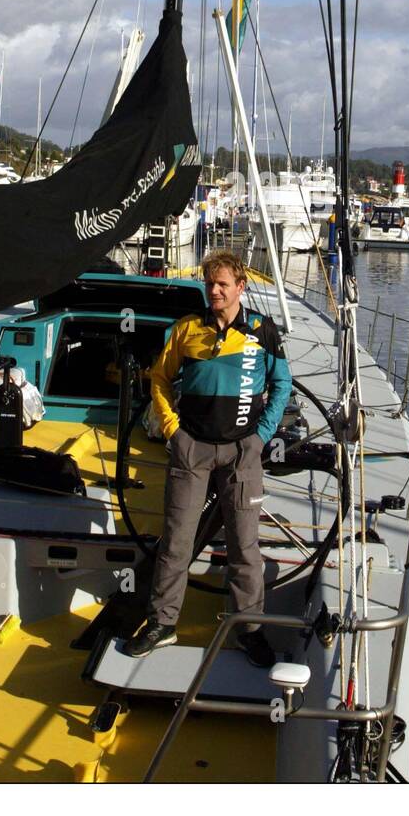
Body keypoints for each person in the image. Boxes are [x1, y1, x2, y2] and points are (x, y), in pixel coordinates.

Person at [125, 250, 292, 668]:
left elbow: (282, 384)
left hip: (242, 455)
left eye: (222, 284)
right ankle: (163, 624)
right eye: (209, 283)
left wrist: (261, 437)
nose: (214, 291)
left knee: (244, 548)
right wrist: (172, 431)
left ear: (241, 287)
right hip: (191, 450)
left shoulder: (261, 330)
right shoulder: (186, 330)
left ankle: (249, 629)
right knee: (177, 543)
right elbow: (160, 380)